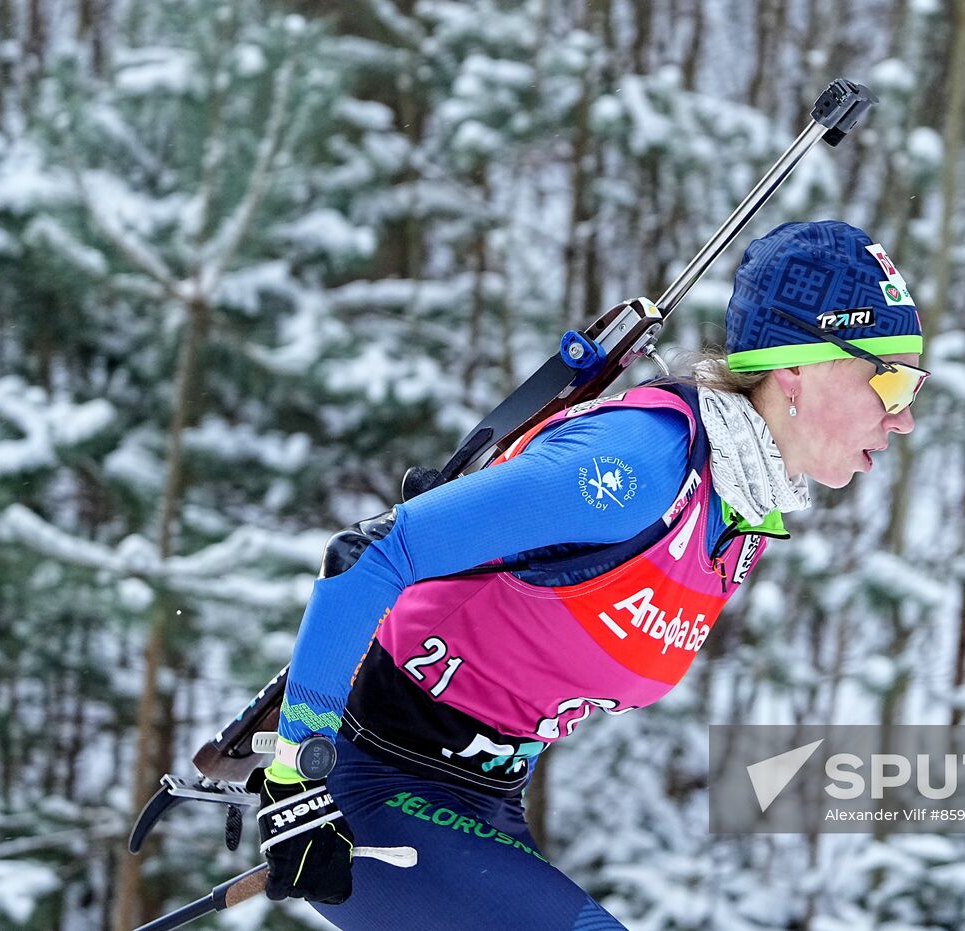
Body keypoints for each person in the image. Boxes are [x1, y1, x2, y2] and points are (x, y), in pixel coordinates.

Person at [251, 220, 929, 929]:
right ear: (797, 367)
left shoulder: (736, 511)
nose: (905, 415)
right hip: (374, 787)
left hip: (484, 808)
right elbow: (371, 555)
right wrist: (296, 781)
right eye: (891, 377)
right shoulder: (639, 465)